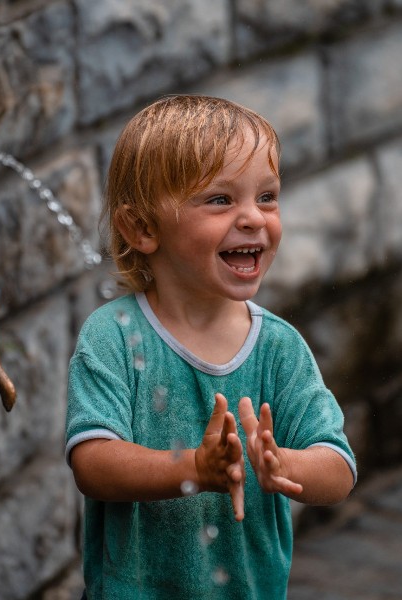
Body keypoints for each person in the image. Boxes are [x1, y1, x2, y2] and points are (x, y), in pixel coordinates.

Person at [65, 95, 357, 598]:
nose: (253, 218)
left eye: (267, 196)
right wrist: (193, 470)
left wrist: (283, 465)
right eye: (220, 200)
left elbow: (338, 468)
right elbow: (93, 463)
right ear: (143, 228)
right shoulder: (113, 335)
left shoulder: (278, 348)